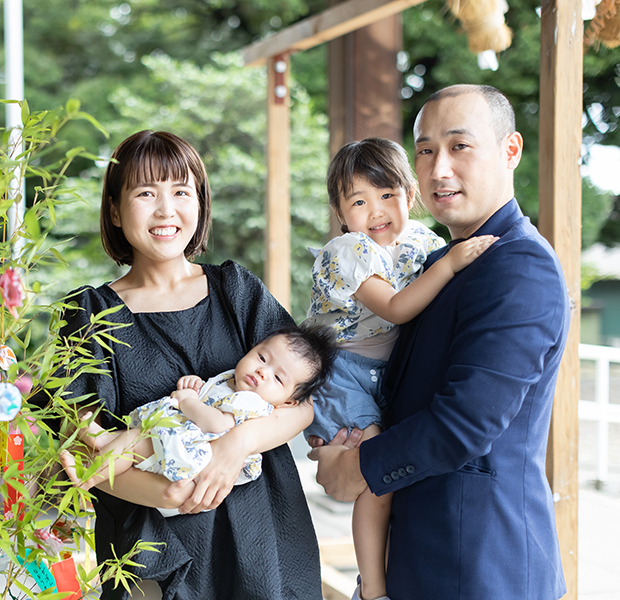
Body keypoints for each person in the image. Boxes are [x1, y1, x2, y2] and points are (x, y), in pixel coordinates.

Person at [309, 84, 570, 600]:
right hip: (419, 555)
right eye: (425, 150)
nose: (439, 168)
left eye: (460, 146)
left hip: (478, 562)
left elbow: (466, 422)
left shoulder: (520, 264)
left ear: (510, 150)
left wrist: (357, 467)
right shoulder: (431, 261)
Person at [48, 130, 323, 599]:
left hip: (260, 531)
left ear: (200, 202)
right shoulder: (87, 313)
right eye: (145, 192)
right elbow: (86, 444)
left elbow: (304, 402)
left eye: (181, 191)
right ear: (114, 210)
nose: (165, 209)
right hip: (153, 543)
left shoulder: (236, 290)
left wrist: (238, 442)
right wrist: (169, 495)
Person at [304, 137, 496, 600]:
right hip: (342, 369)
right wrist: (451, 264)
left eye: (387, 194)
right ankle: (371, 587)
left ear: (410, 194)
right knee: (375, 472)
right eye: (359, 201)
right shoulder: (348, 250)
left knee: (395, 475)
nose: (376, 211)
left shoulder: (422, 242)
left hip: (383, 373)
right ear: (341, 213)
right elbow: (393, 307)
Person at [60, 324, 336, 501]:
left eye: (278, 379)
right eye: (262, 358)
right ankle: (104, 442)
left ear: (288, 402)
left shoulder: (252, 403)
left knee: (133, 443)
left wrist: (187, 400)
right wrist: (197, 387)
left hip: (195, 459)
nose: (263, 372)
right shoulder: (231, 380)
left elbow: (215, 423)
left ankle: (89, 476)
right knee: (133, 440)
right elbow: (209, 402)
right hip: (182, 443)